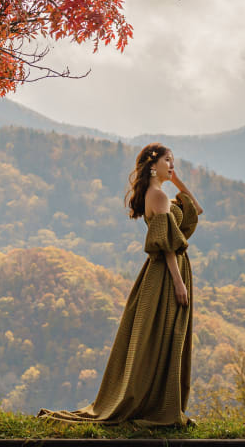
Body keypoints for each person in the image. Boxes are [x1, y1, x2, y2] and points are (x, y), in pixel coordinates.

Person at [38, 143, 203, 427]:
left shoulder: (157, 193)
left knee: (159, 337)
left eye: (173, 161)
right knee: (166, 335)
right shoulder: (160, 198)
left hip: (161, 272)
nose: (172, 165)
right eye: (168, 161)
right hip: (166, 274)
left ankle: (155, 399)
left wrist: (175, 179)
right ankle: (157, 404)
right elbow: (165, 246)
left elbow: (195, 210)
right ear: (153, 165)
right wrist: (178, 282)